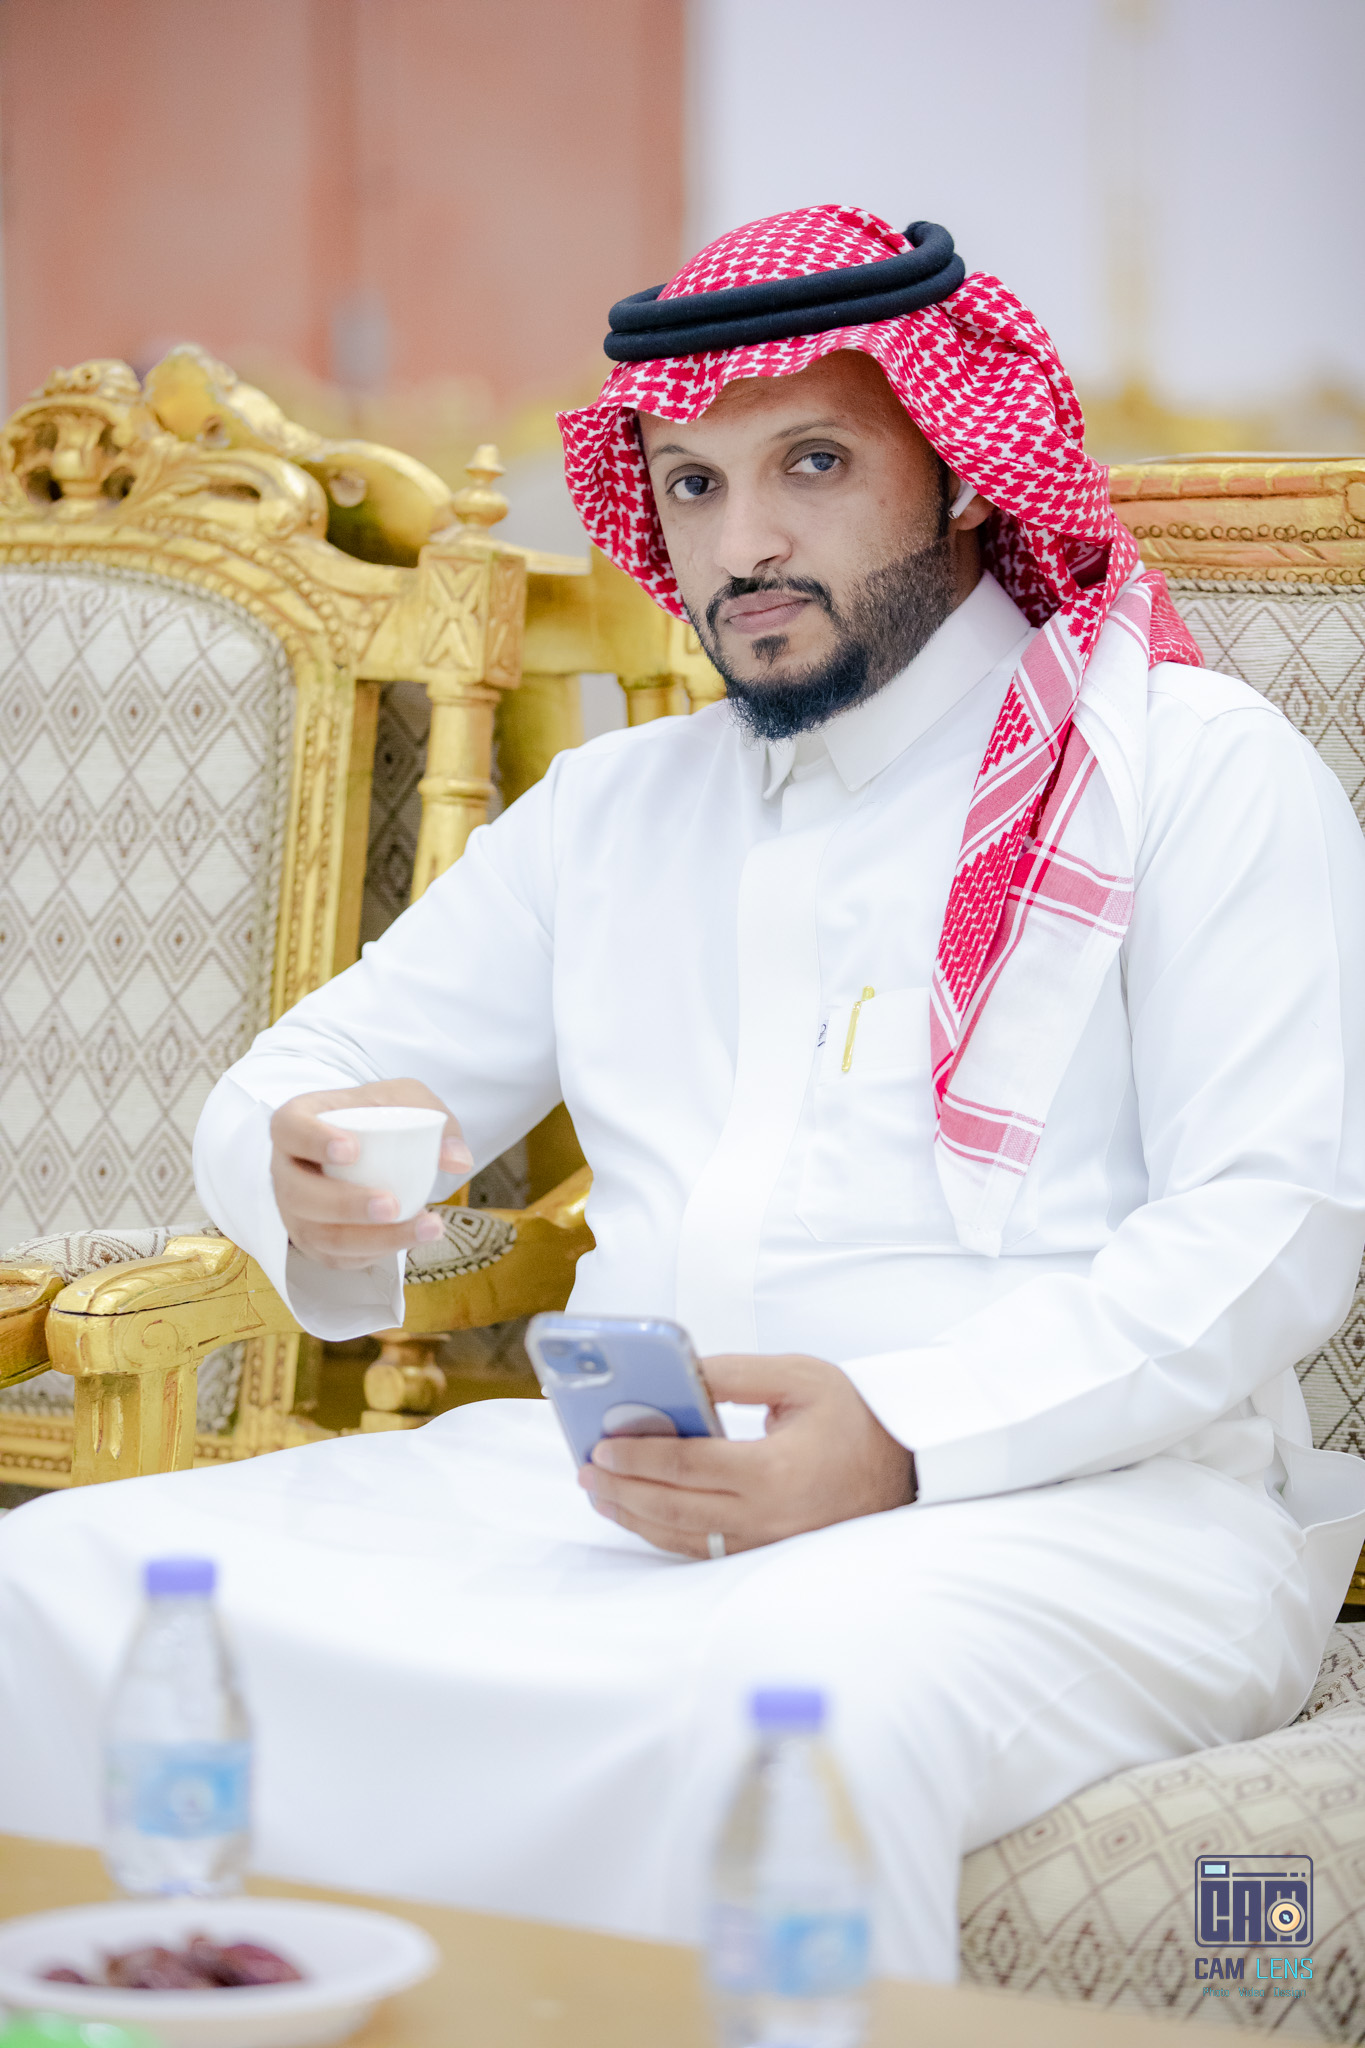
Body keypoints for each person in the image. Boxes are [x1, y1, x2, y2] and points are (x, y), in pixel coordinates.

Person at [3, 205, 1365, 1980]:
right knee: (59, 1592)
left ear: (963, 469)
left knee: (774, 1723)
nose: (744, 544)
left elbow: (1269, 1226)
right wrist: (310, 1170)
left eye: (812, 464)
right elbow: (302, 1082)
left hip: (1081, 1510)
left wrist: (900, 1438)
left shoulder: (1189, 775)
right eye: (694, 486)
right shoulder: (617, 810)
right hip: (620, 1493)